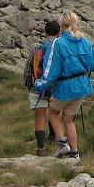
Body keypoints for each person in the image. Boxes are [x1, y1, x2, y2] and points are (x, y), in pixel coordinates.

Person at [33, 10, 94, 161]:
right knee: (69, 120)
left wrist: (40, 85)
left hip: (65, 88)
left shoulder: (59, 43)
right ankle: (75, 153)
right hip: (82, 87)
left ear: (62, 25)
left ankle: (63, 145)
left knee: (52, 113)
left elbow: (52, 69)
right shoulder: (85, 41)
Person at [29, 20, 60, 156]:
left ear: (45, 32)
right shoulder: (60, 46)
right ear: (59, 32)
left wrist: (30, 84)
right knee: (54, 113)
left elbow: (28, 67)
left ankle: (41, 148)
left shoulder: (37, 46)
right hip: (56, 87)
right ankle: (53, 137)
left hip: (39, 86)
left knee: (40, 117)